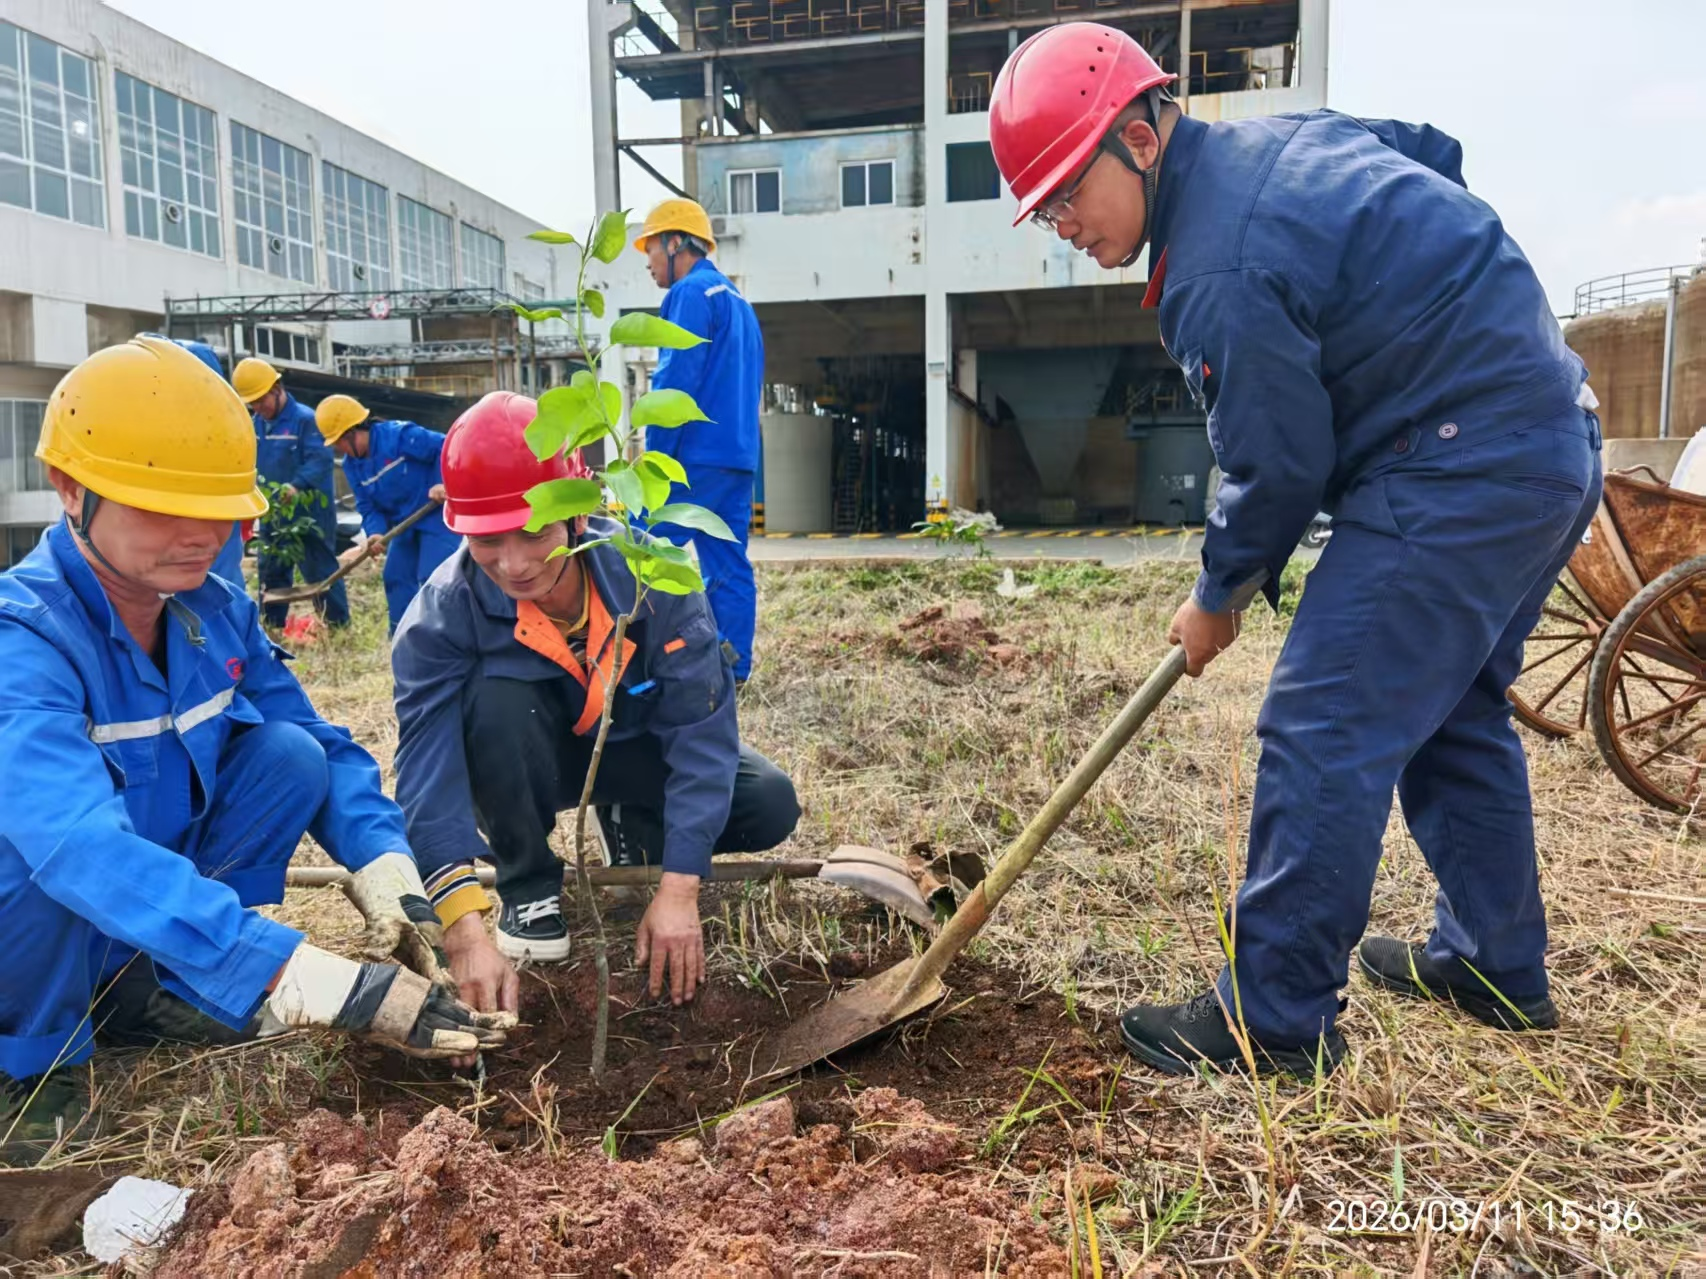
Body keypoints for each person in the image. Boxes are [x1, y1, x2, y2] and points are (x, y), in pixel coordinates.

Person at [989, 26, 1601, 1076]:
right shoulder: (1287, 147)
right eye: (1039, 208)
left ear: (1136, 138)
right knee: (1451, 711)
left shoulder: (1218, 262)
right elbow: (1429, 152)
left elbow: (1272, 462)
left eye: (1064, 193)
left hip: (1458, 459)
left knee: (1321, 717)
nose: (1060, 226)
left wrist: (1219, 589)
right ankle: (1493, 962)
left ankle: (1270, 1018)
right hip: (1544, 438)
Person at [0, 339, 512, 1165]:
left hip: (146, 906)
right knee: (29, 855)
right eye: (164, 507)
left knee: (287, 756)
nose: (201, 538)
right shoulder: (23, 638)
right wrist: (294, 972)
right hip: (38, 914)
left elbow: (318, 740)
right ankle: (33, 1057)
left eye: (217, 510)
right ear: (70, 489)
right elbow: (80, 848)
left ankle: (152, 984)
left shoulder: (211, 606)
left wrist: (393, 876)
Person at [391, 392, 800, 1003]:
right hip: (524, 767)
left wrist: (681, 887)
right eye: (487, 541)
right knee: (499, 700)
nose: (513, 563)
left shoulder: (654, 580)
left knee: (767, 802)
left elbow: (701, 737)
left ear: (579, 515)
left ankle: (629, 818)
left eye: (533, 533)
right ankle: (527, 885)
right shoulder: (441, 617)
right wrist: (462, 927)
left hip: (637, 751)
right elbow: (428, 773)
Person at [633, 198, 764, 682]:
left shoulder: (689, 294)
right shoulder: (738, 302)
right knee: (727, 563)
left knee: (637, 553)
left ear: (674, 243)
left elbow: (674, 385)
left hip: (693, 458)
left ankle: (638, 669)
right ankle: (732, 671)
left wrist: (652, 464)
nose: (647, 262)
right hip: (737, 457)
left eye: (649, 248)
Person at [315, 394, 461, 635]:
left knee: (433, 577)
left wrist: (441, 481)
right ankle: (403, 639)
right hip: (404, 524)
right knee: (395, 577)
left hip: (435, 517)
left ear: (353, 432)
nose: (338, 449)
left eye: (338, 442)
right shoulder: (352, 466)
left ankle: (445, 637)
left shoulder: (399, 436)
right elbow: (368, 506)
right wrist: (374, 534)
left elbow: (447, 447)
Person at [232, 357, 349, 630]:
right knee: (271, 570)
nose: (258, 408)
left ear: (276, 388)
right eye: (253, 404)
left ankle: (337, 626)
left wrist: (295, 486)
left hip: (310, 514)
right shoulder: (257, 424)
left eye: (261, 400)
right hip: (274, 513)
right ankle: (271, 627)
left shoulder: (306, 421)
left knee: (320, 571)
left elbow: (320, 461)